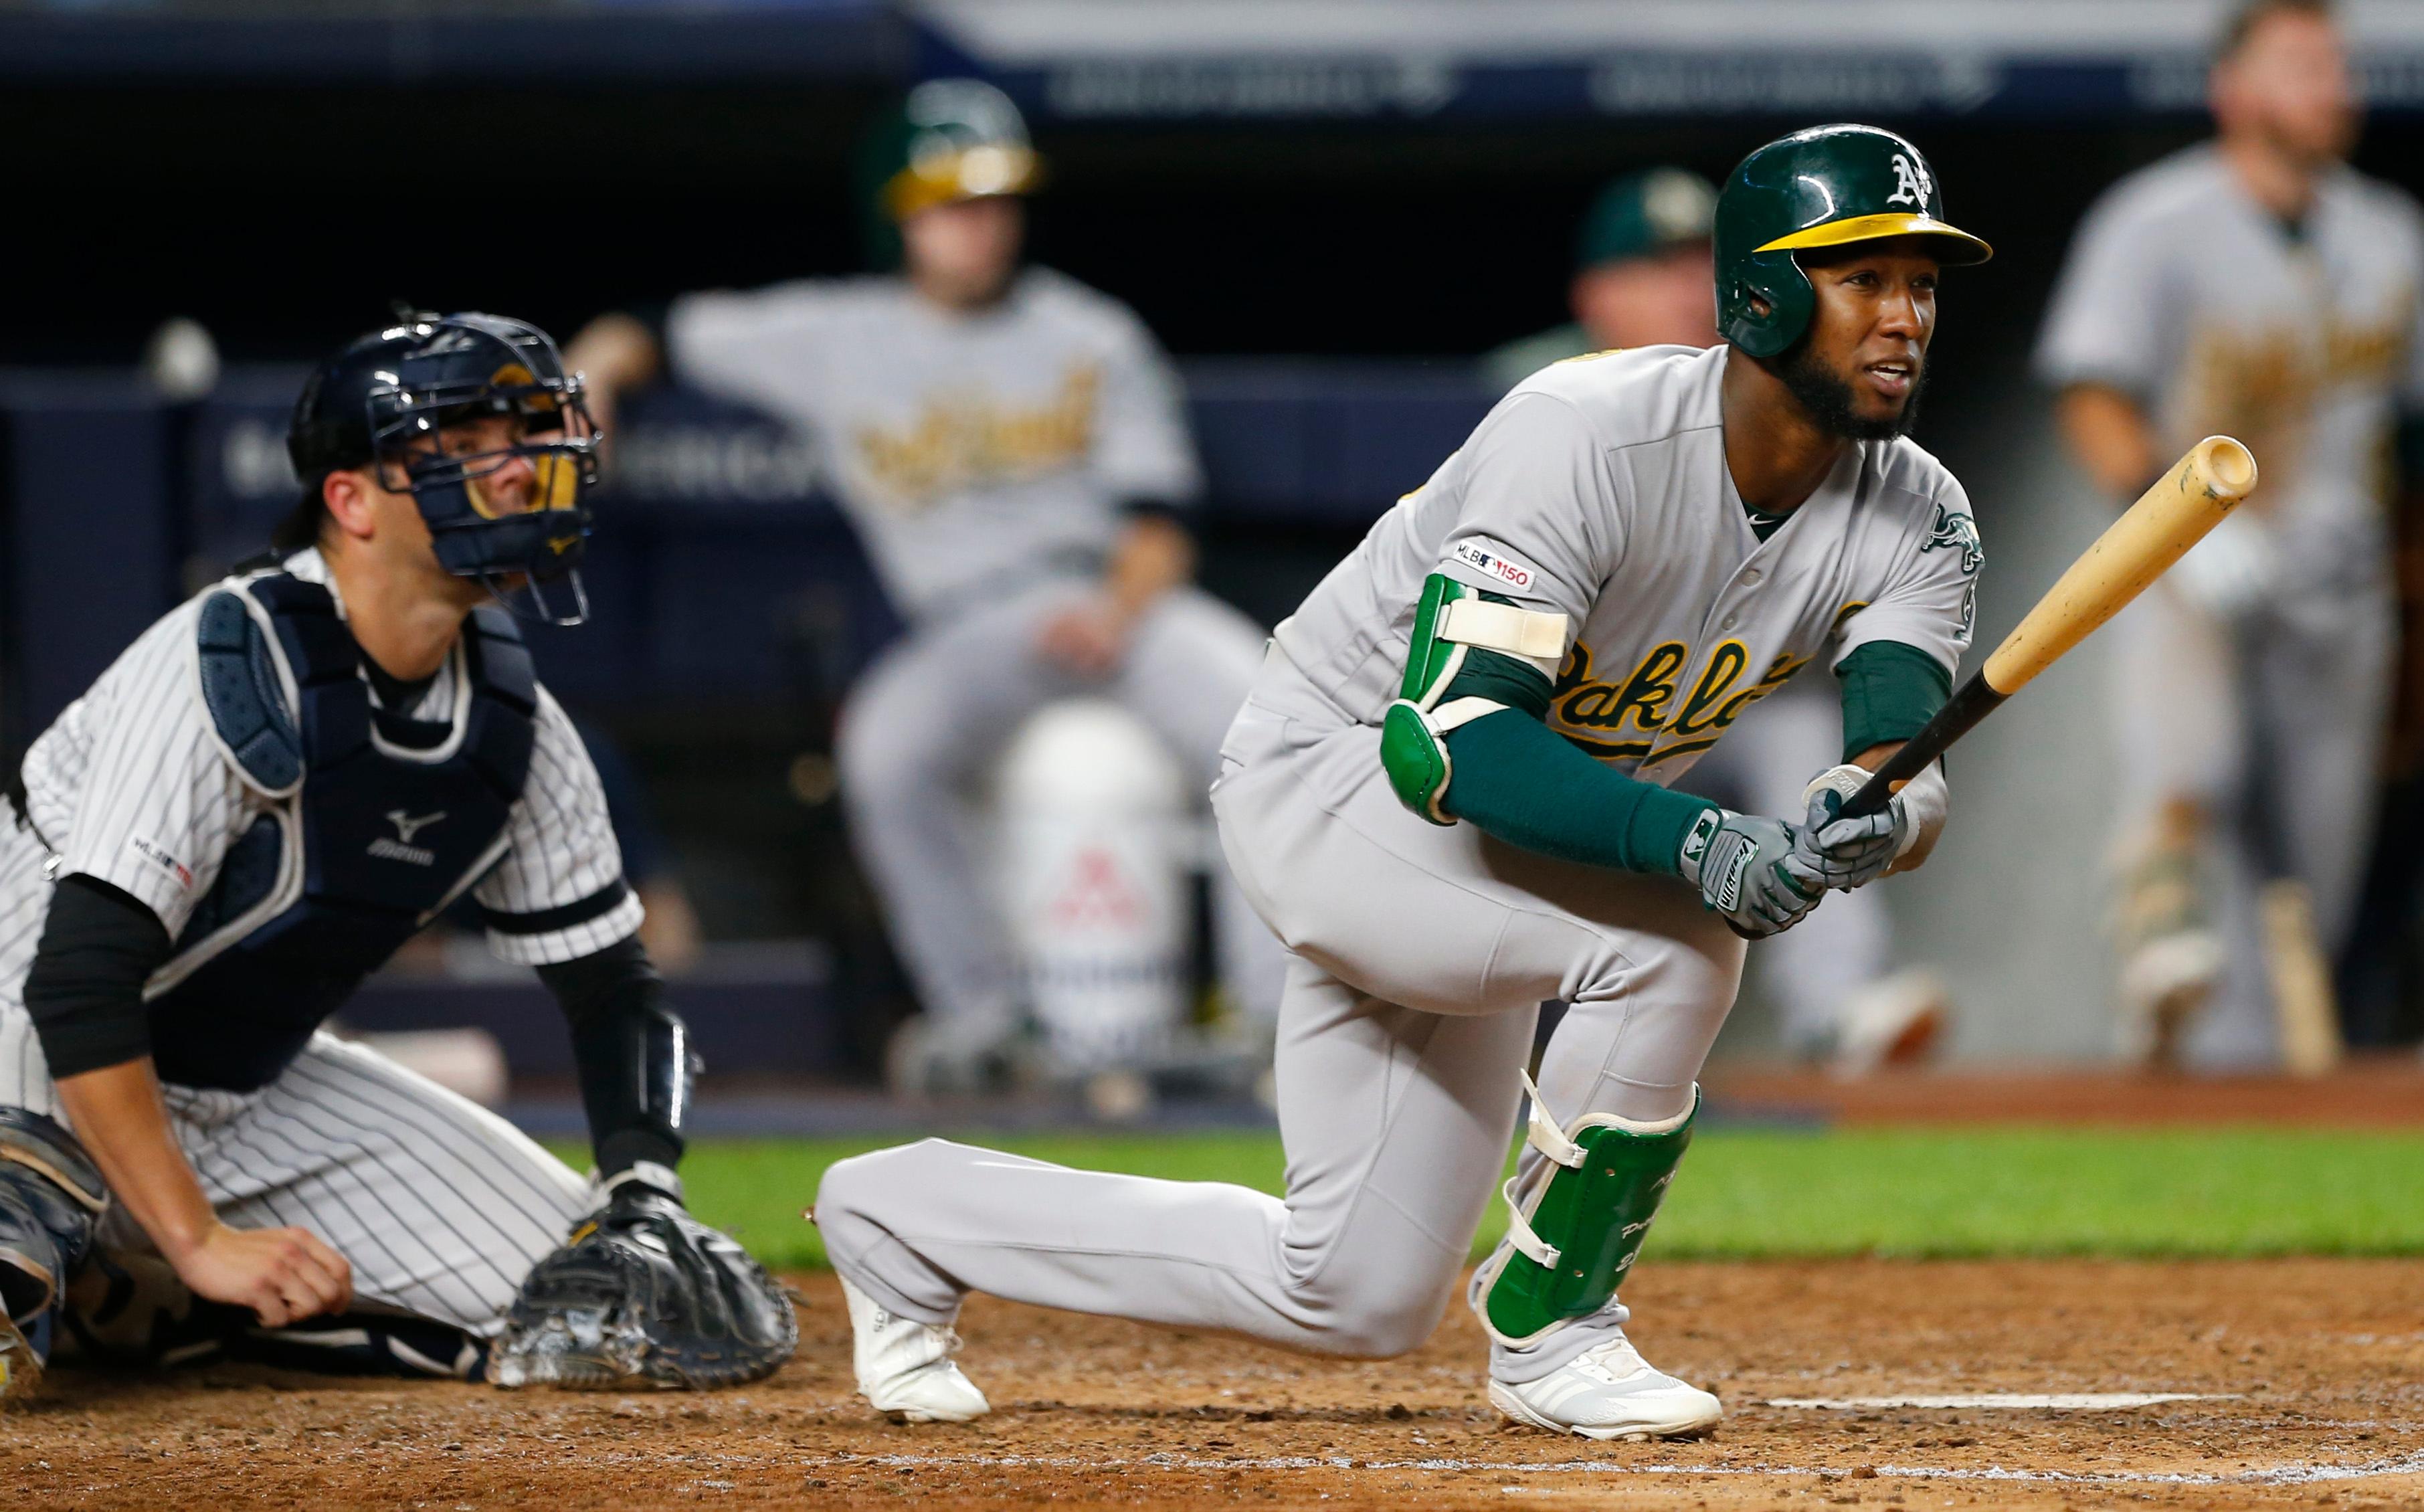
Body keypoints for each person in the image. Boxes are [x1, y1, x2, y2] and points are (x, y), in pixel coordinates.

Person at [814, 124, 1988, 1440]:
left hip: (1514, 837)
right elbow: (1459, 745)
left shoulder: (1921, 512)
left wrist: (1878, 813)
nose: (1904, 317)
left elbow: (1895, 746)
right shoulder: (1586, 432)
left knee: (1352, 1287)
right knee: (1675, 944)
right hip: (1340, 778)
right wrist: (1703, 839)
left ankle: (902, 1212)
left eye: (1922, 285)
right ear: (1762, 292)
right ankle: (1556, 1330)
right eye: (1864, 279)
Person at [0, 313, 793, 1400]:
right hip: (28, 1039)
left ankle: (134, 1310)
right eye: (464, 446)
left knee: (611, 1298)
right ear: (351, 499)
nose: (518, 469)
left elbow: (618, 996)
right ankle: (94, 1257)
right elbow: (77, 982)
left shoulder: (516, 725)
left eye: (522, 437)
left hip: (235, 1091)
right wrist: (196, 1238)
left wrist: (643, 1194)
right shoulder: (227, 658)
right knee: (12, 1219)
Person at [568, 79, 1282, 1093]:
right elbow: (657, 328)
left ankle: (1275, 1025)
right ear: (898, 214)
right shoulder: (835, 334)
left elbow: (1161, 521)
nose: (981, 227)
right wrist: (593, 364)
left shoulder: (1089, 331)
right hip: (967, 627)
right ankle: (987, 1024)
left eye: (995, 202)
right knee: (884, 749)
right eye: (953, 204)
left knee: (1264, 715)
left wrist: (1119, 607)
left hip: (1115, 599)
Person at [1489, 167, 1953, 1070]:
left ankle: (1839, 1005)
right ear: (1596, 292)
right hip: (1543, 696)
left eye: (1702, 262)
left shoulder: (1767, 404)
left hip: (1680, 693)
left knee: (1804, 724)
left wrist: (1885, 801)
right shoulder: (1534, 394)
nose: (1688, 289)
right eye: (1659, 265)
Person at [2036, 0, 2424, 1067]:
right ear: (2234, 90)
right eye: (2301, 64)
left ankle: (2239, 1091)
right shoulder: (2154, 220)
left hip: (2342, 589)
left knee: (2313, 880)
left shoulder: (2390, 231)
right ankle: (2160, 980)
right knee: (2188, 780)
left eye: (2337, 64)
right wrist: (2178, 532)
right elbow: (2092, 392)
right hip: (2194, 570)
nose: (2332, 84)